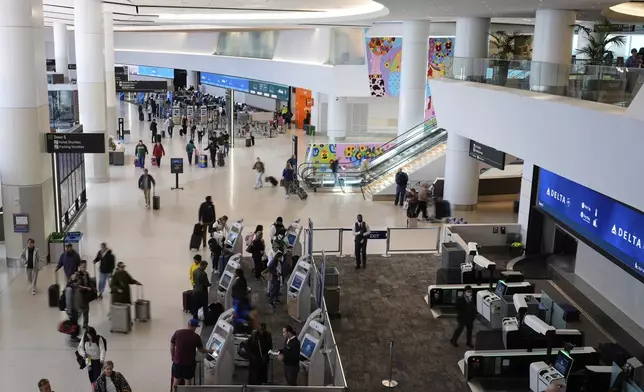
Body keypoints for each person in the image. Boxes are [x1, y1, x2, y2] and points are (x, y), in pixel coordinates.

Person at [171, 319, 215, 386]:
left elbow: (172, 344)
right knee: (188, 382)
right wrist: (210, 351)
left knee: (176, 381)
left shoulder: (178, 332)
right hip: (189, 364)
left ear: (188, 325)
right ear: (195, 327)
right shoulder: (196, 337)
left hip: (177, 362)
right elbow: (202, 350)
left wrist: (173, 356)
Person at [75, 260, 94, 328]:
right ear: (79, 267)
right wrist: (86, 288)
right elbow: (77, 285)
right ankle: (74, 324)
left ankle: (85, 324)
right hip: (79, 296)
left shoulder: (87, 274)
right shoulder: (77, 275)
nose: (85, 268)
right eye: (83, 267)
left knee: (86, 310)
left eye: (85, 267)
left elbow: (89, 283)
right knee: (79, 311)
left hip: (85, 296)